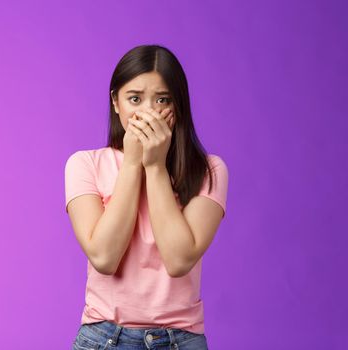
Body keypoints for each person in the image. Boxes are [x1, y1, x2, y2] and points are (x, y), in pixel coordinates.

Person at [65, 44, 229, 349]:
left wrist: (154, 167)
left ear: (178, 106)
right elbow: (104, 257)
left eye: (162, 99)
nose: (148, 112)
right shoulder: (84, 164)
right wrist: (131, 163)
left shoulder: (210, 170)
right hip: (103, 338)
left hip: (179, 340)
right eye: (135, 99)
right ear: (116, 102)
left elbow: (179, 259)